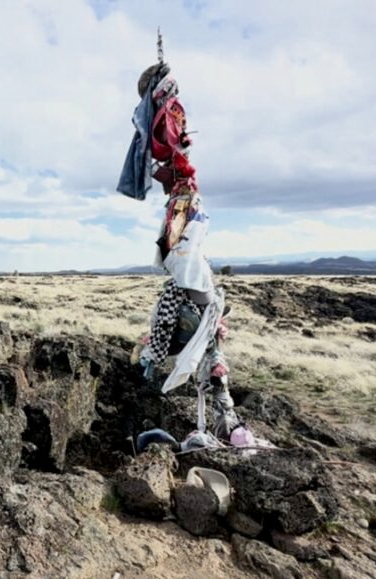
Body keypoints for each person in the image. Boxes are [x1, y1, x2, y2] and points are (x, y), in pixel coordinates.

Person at [120, 42, 248, 446]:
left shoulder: (186, 260)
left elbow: (183, 256)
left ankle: (223, 423)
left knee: (184, 263)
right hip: (199, 296)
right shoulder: (186, 282)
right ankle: (223, 422)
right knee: (186, 272)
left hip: (198, 291)